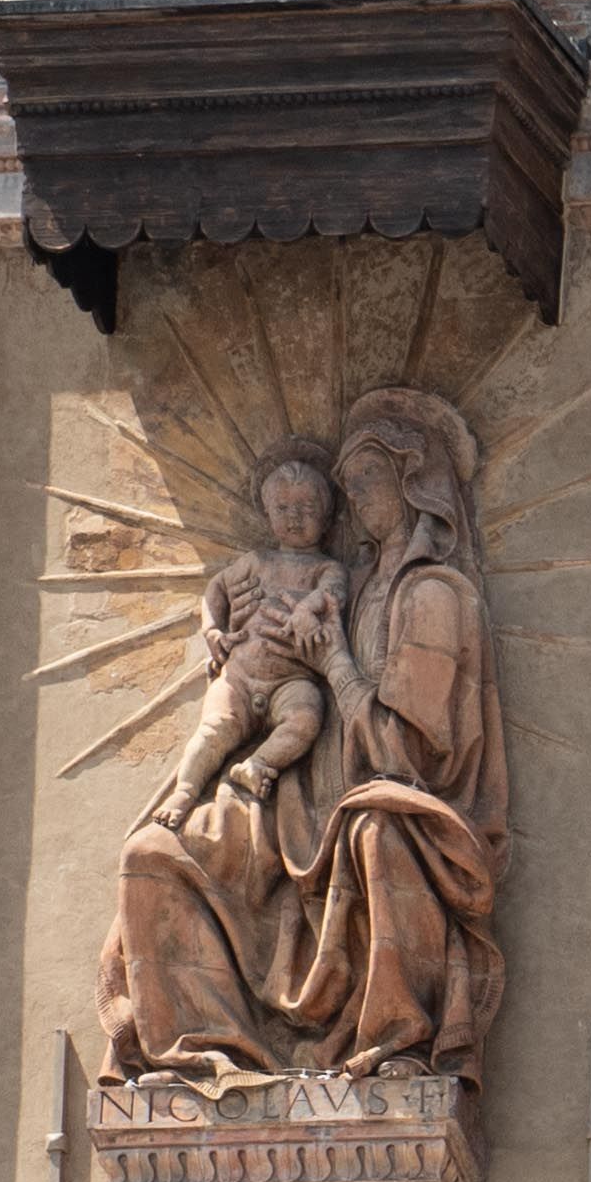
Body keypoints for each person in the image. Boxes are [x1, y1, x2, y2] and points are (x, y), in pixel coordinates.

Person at [98, 382, 507, 1092]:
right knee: (151, 853)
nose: (351, 502)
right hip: (292, 802)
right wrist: (232, 641)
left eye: (365, 483)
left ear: (415, 484)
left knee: (377, 829)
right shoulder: (353, 583)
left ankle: (394, 1038)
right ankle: (198, 1051)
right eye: (346, 487)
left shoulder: (433, 596)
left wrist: (332, 662)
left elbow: (404, 756)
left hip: (395, 815)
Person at [140, 448, 348, 838]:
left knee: (306, 718)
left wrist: (308, 609)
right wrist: (212, 631)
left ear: (326, 516)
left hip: (292, 679)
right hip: (239, 676)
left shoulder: (326, 567)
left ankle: (256, 764)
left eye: (306, 507)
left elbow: (333, 594)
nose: (294, 517)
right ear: (268, 515)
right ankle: (184, 791)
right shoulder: (257, 561)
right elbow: (215, 589)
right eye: (283, 508)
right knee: (213, 730)